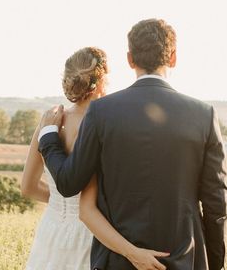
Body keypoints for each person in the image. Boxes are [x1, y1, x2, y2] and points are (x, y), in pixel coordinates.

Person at [38, 19, 227, 270]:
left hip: (118, 262)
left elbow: (68, 181)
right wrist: (216, 265)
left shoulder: (101, 112)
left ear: (129, 59)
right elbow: (216, 205)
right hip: (185, 260)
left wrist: (49, 137)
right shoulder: (204, 115)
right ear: (173, 57)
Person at [23, 47, 168, 270]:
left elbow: (28, 188)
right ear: (100, 82)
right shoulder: (107, 126)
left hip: (50, 232)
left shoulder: (50, 122)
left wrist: (61, 205)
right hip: (91, 234)